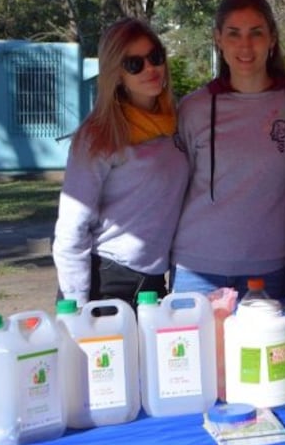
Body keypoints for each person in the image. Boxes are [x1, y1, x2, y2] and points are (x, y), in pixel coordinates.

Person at [170, 0, 285, 300]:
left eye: (256, 33)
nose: (245, 46)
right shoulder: (193, 108)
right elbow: (173, 186)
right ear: (218, 39)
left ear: (272, 38)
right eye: (233, 34)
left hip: (268, 267)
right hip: (195, 268)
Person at [53, 18, 187, 307]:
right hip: (107, 280)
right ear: (116, 74)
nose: (150, 68)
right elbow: (71, 227)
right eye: (134, 64)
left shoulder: (177, 123)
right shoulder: (99, 135)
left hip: (153, 279)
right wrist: (75, 306)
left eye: (155, 57)